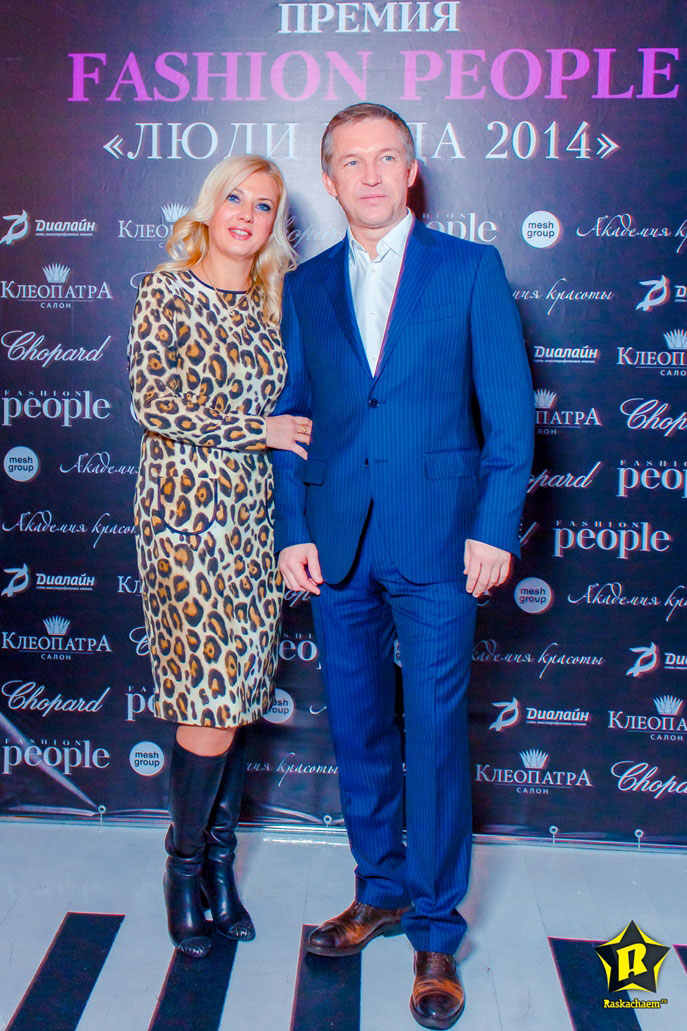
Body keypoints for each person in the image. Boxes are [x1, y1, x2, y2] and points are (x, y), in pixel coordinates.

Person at [273, 104, 533, 1029]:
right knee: (357, 728)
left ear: (412, 170)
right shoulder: (305, 285)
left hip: (440, 541)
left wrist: (494, 527)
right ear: (329, 180)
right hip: (337, 540)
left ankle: (433, 927)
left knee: (434, 733)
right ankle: (378, 889)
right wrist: (291, 527)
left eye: (386, 157)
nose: (371, 175)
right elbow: (293, 418)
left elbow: (509, 414)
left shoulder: (469, 268)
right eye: (351, 161)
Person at [128, 155, 311, 959]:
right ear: (210, 206)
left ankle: (219, 870)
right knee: (206, 704)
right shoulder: (165, 289)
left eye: (263, 204)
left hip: (253, 527)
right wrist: (253, 429)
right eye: (234, 196)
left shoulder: (276, 303)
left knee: (238, 704)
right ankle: (182, 868)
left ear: (275, 224)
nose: (246, 213)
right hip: (183, 526)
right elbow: (153, 402)